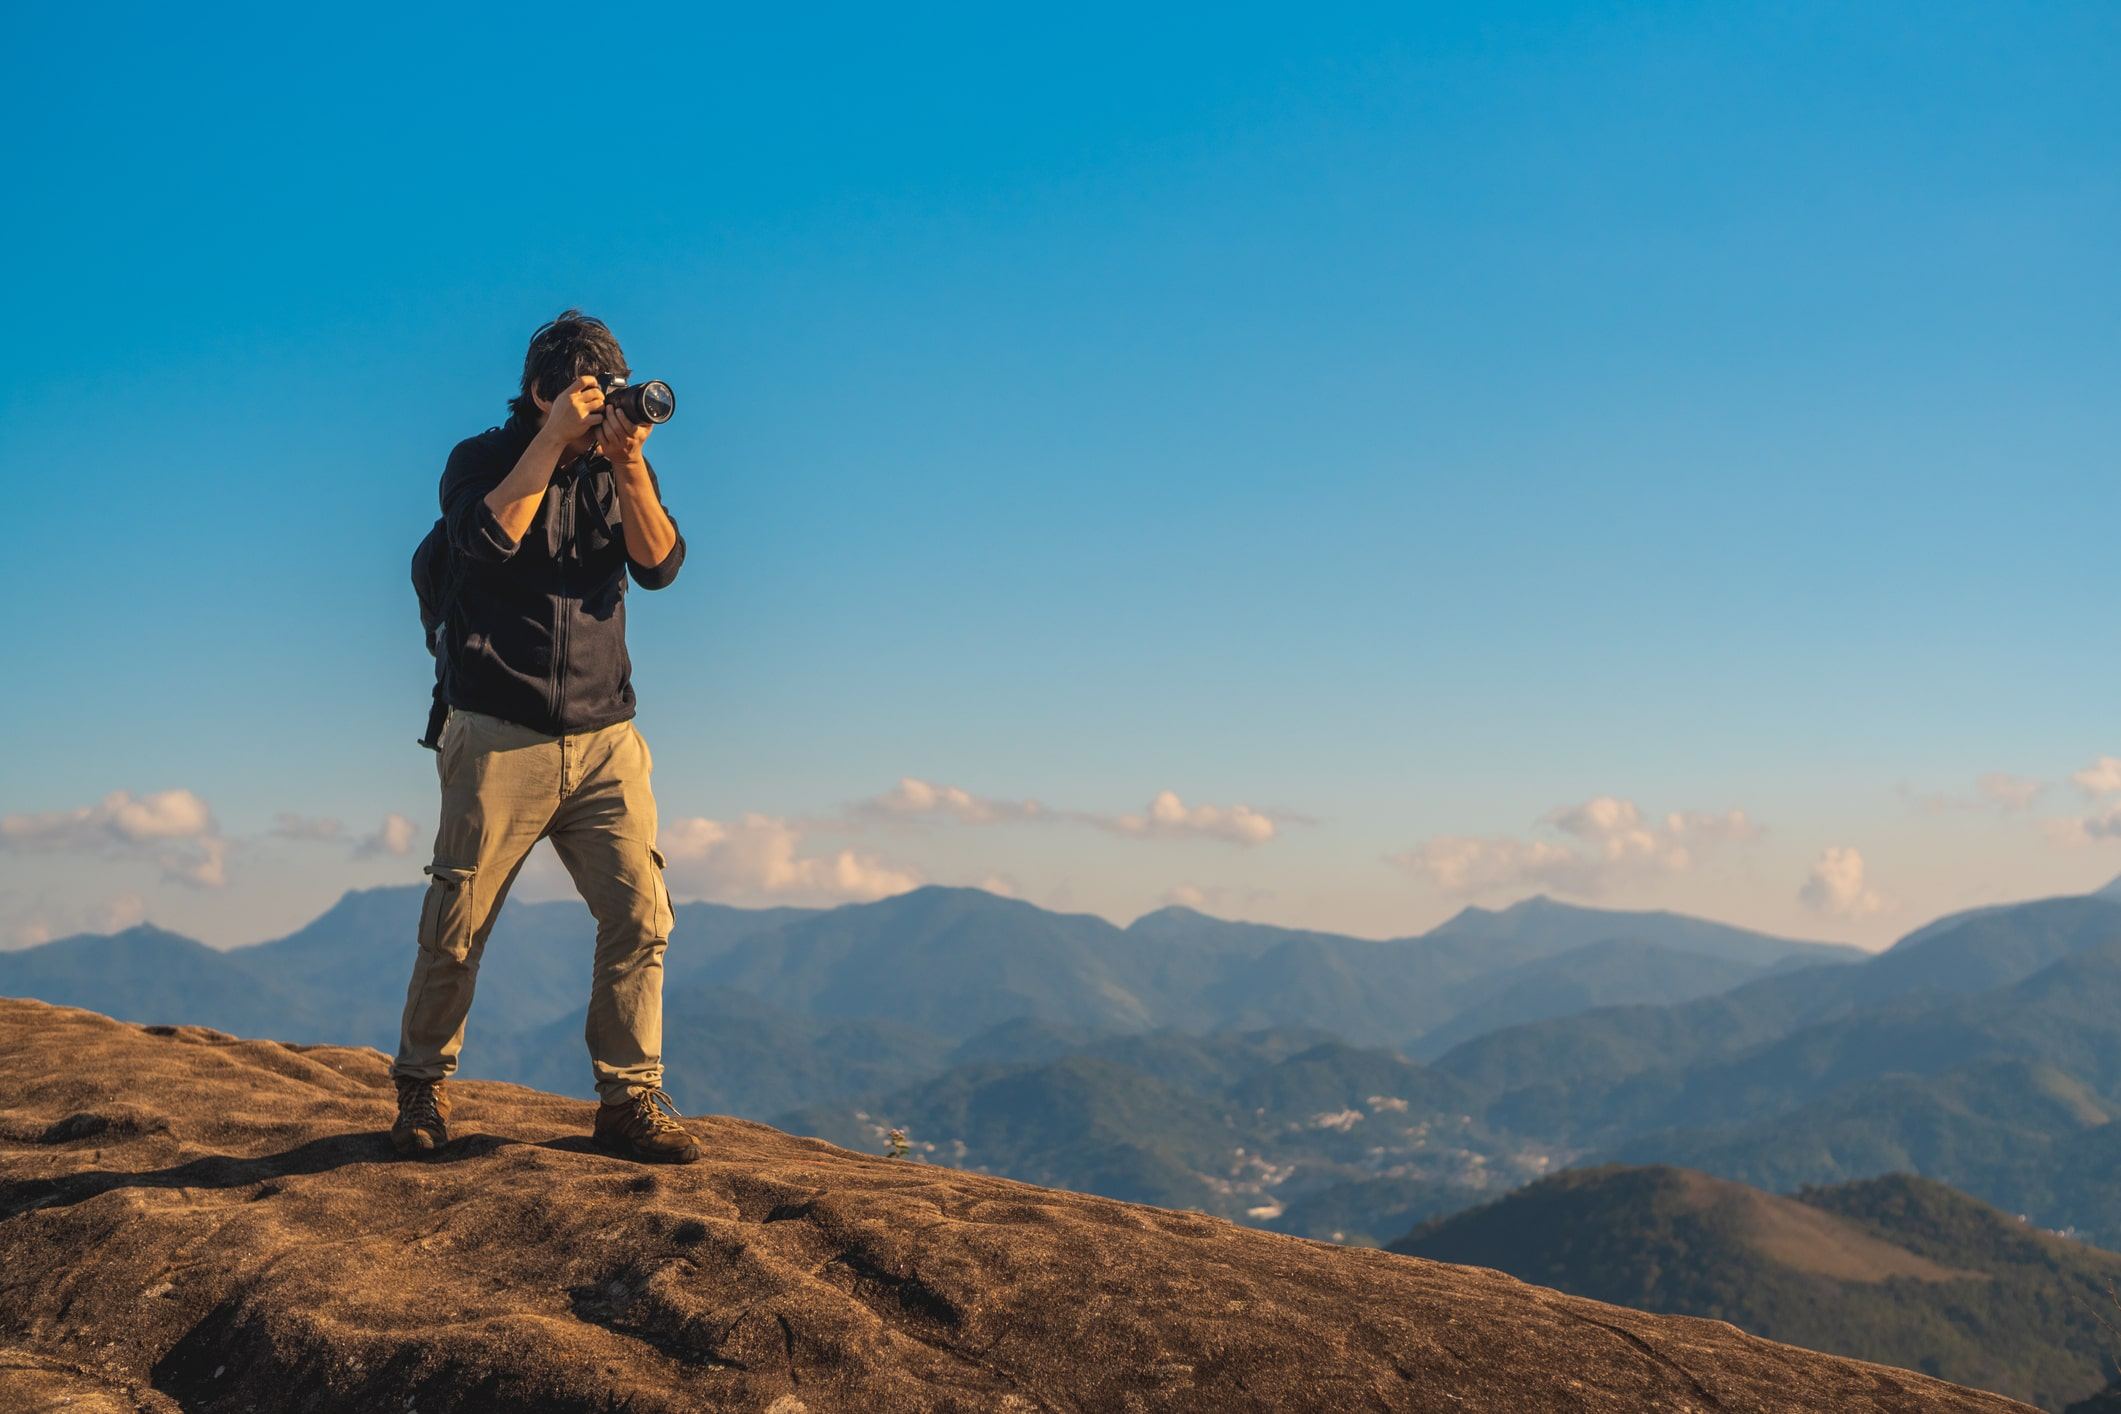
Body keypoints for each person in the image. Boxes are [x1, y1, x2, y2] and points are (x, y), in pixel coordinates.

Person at [388, 310, 698, 1164]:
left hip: (607, 738)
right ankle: (420, 1092)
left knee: (641, 912)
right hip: (497, 733)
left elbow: (662, 565)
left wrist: (627, 461)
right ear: (539, 390)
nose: (603, 408)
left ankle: (630, 1099)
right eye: (586, 392)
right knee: (459, 921)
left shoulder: (614, 469)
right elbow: (488, 538)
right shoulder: (482, 460)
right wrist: (552, 443)